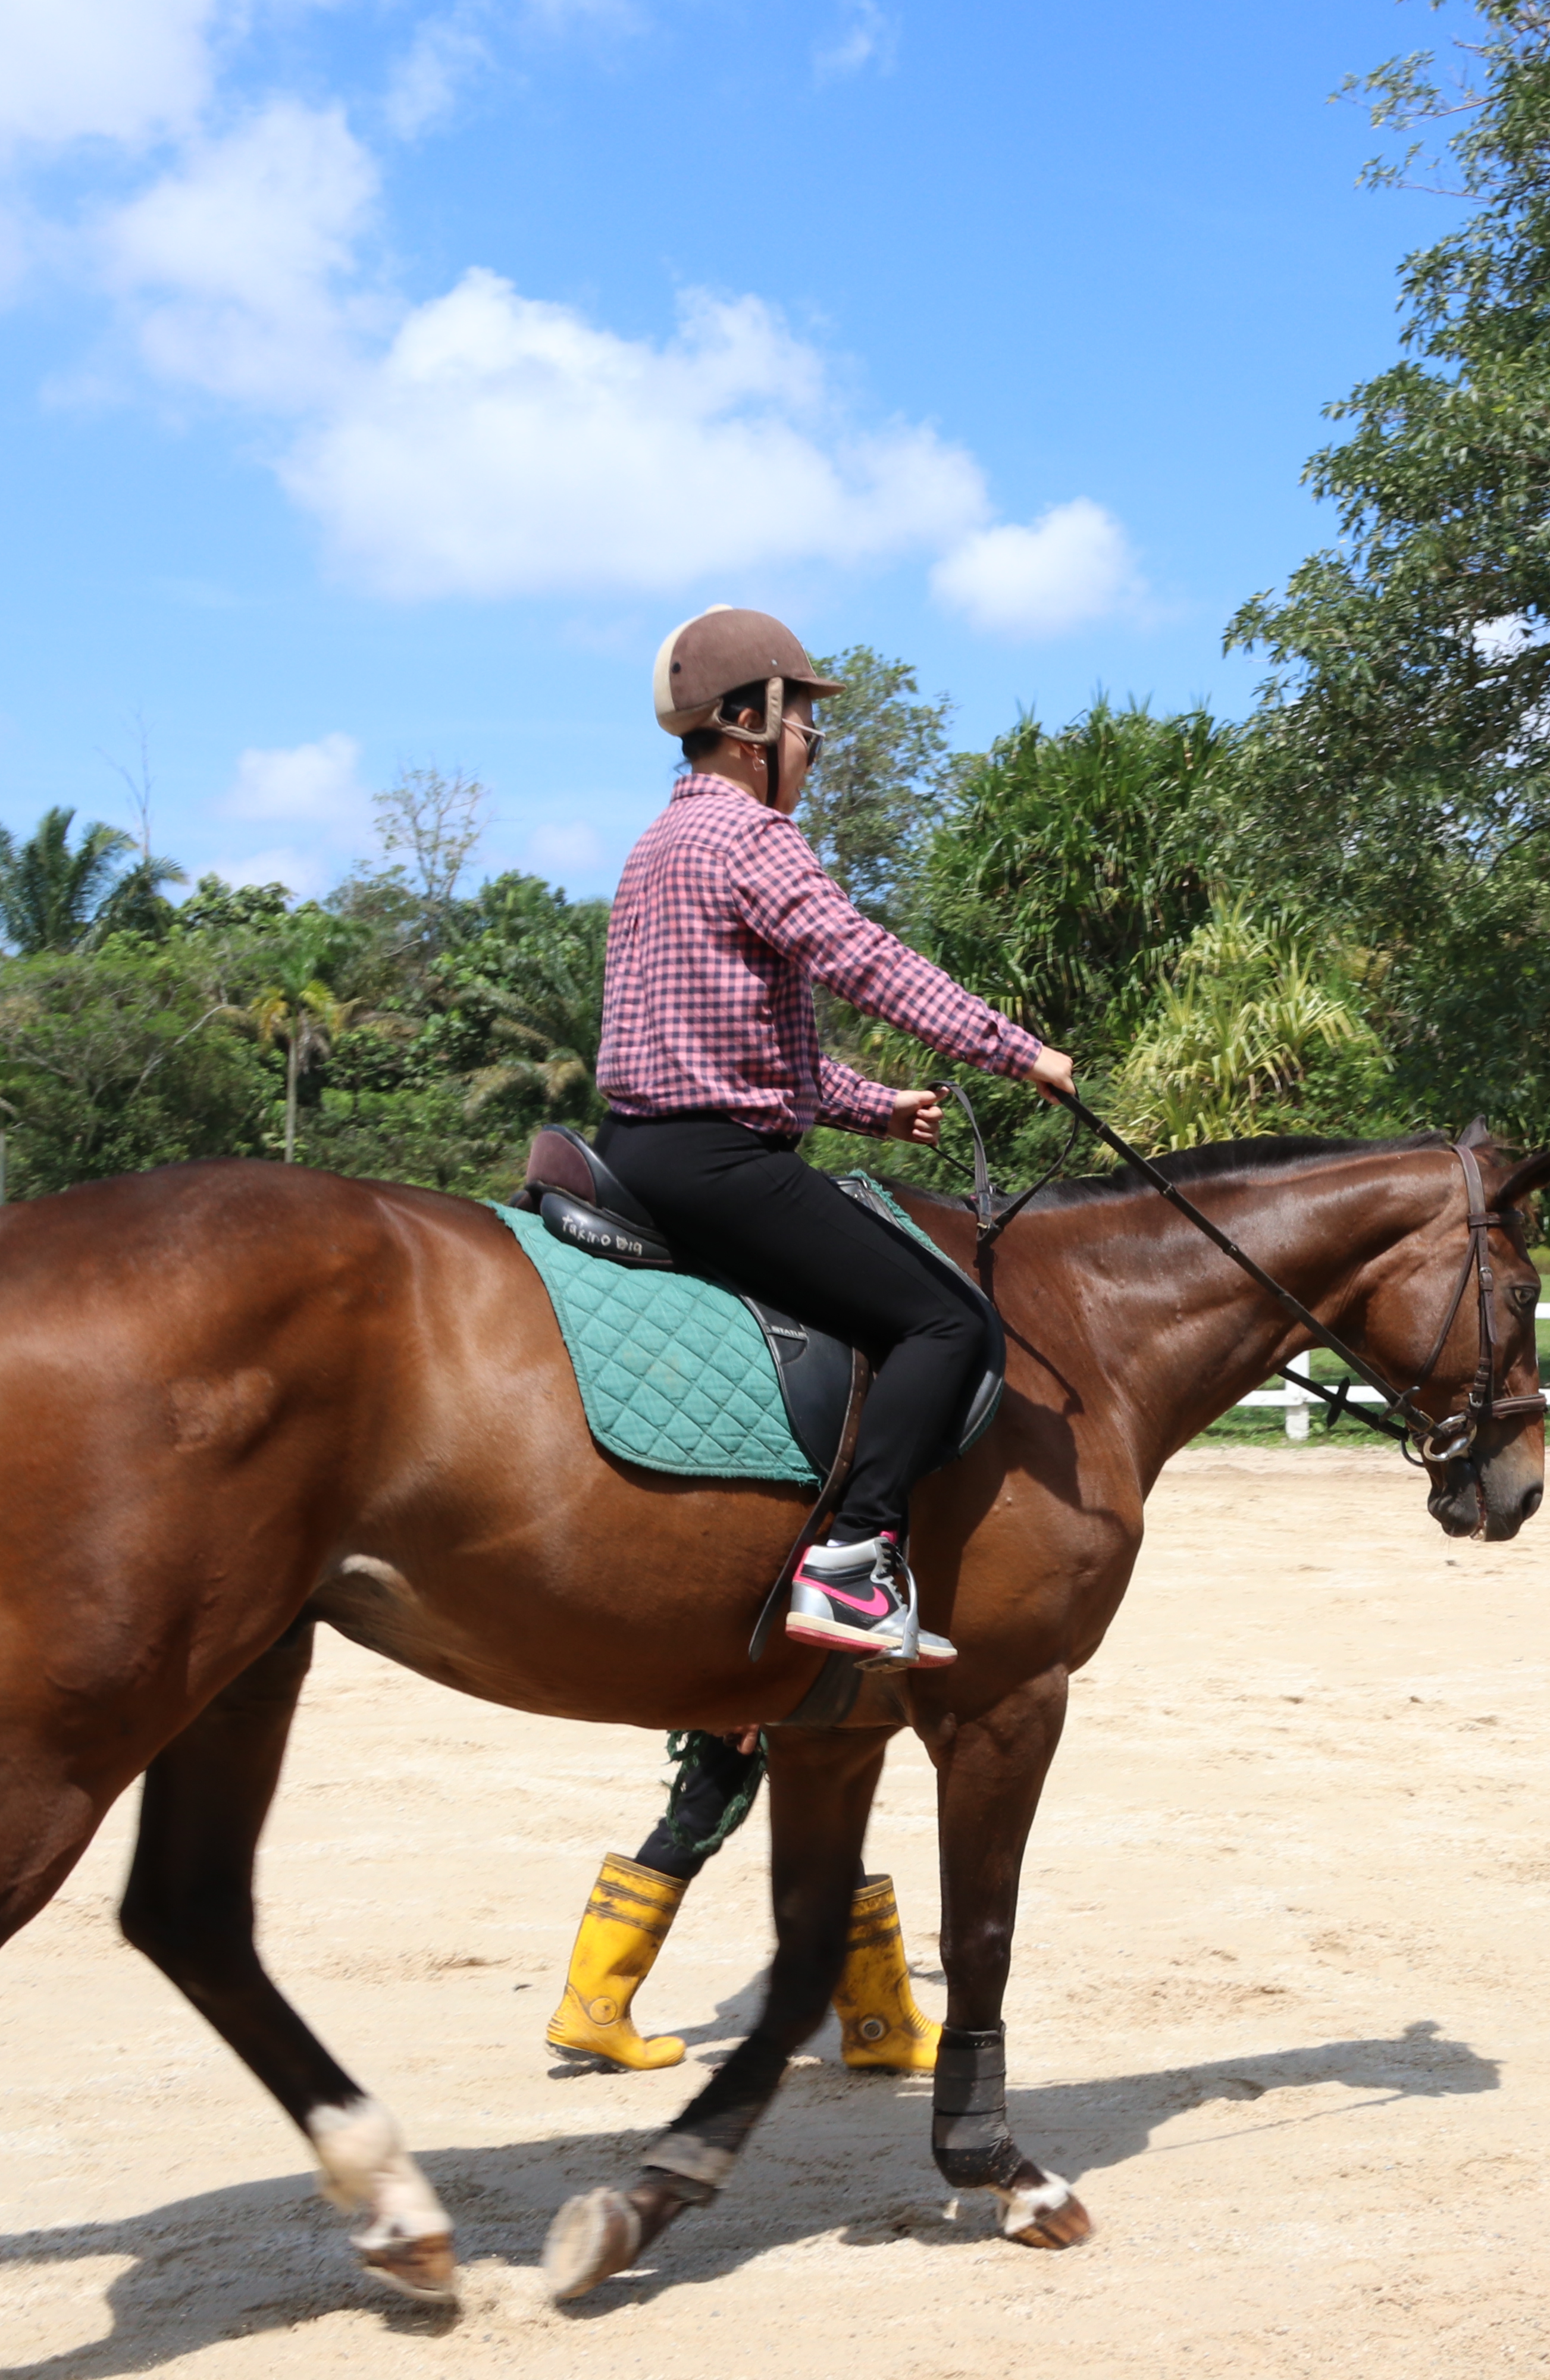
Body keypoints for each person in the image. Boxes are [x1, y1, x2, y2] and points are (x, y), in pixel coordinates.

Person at [591, 604, 1076, 1669]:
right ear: (748, 723)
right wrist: (1019, 1052)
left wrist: (873, 1107)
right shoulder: (752, 837)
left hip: (636, 1149)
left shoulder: (656, 844)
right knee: (947, 1323)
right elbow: (864, 959)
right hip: (718, 1163)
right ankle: (853, 1563)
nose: (814, 744)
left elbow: (730, 1044)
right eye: (807, 722)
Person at [544, 1730, 940, 2074]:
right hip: (775, 1683)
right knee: (818, 1804)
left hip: (758, 1685)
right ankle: (879, 2026)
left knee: (707, 1809)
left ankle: (595, 2007)